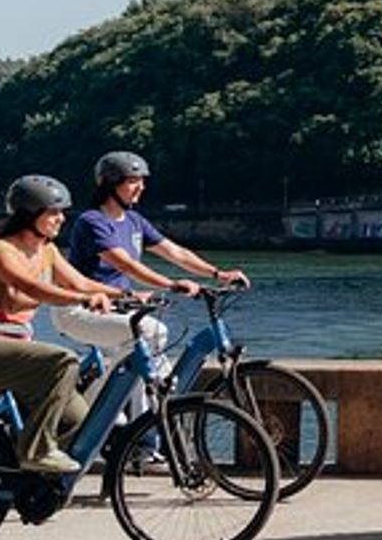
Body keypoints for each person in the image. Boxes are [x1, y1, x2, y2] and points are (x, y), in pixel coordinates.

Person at [55, 151, 248, 437]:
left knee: (160, 372)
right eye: (133, 181)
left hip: (119, 310)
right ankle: (98, 408)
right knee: (151, 332)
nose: (141, 187)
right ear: (110, 184)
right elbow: (126, 265)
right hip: (80, 310)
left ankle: (142, 435)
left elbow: (174, 252)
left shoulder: (134, 221)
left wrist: (217, 273)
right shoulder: (92, 221)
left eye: (142, 181)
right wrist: (170, 285)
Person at [0, 176, 127, 473]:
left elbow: (80, 282)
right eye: (53, 212)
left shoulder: (47, 250)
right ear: (29, 214)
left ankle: (25, 474)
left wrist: (129, 295)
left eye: (62, 212)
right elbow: (32, 288)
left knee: (79, 421)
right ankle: (36, 452)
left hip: (14, 349)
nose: (61, 219)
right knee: (62, 362)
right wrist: (84, 300)